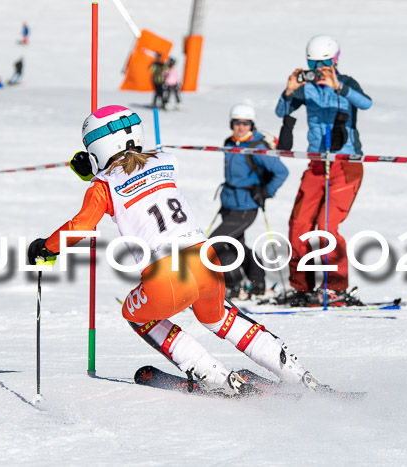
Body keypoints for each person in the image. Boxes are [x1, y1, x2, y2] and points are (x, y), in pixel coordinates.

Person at [27, 105, 332, 396]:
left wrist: (46, 248)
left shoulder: (102, 188)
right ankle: (298, 375)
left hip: (167, 274)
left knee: (134, 314)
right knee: (220, 319)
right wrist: (95, 171)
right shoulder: (164, 160)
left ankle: (215, 377)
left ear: (96, 148)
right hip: (206, 261)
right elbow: (135, 169)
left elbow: (81, 225)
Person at [274, 35, 372, 306]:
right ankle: (302, 288)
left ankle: (335, 288)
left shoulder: (346, 83)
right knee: (298, 225)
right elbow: (281, 110)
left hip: (345, 163)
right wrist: (289, 91)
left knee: (326, 225)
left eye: (324, 63)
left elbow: (366, 103)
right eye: (313, 63)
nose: (319, 68)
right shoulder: (307, 88)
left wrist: (339, 87)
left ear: (335, 61)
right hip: (317, 165)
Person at [211, 103, 289, 299]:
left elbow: (282, 171)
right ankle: (257, 281)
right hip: (229, 204)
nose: (241, 127)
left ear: (252, 125)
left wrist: (266, 191)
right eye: (237, 123)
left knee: (214, 243)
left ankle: (234, 285)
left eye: (246, 123)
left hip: (247, 206)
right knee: (235, 245)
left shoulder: (257, 147)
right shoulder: (229, 142)